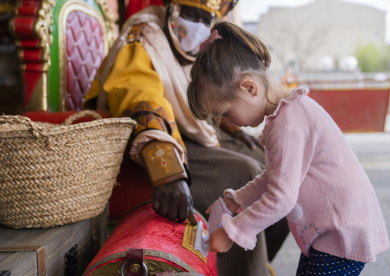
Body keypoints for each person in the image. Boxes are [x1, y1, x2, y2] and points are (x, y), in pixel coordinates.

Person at [83, 0, 289, 275]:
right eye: (189, 13)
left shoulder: (187, 48)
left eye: (205, 19)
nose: (196, 26)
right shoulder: (143, 36)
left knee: (272, 163)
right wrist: (168, 173)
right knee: (245, 172)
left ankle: (257, 262)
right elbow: (140, 99)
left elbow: (200, 106)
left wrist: (234, 130)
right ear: (170, 7)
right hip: (152, 140)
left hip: (188, 133)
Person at [187, 21, 390, 276]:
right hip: (332, 232)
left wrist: (233, 232)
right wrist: (236, 199)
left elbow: (281, 198)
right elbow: (275, 177)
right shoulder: (286, 116)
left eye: (225, 113)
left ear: (249, 88)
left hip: (340, 232)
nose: (229, 123)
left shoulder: (288, 124)